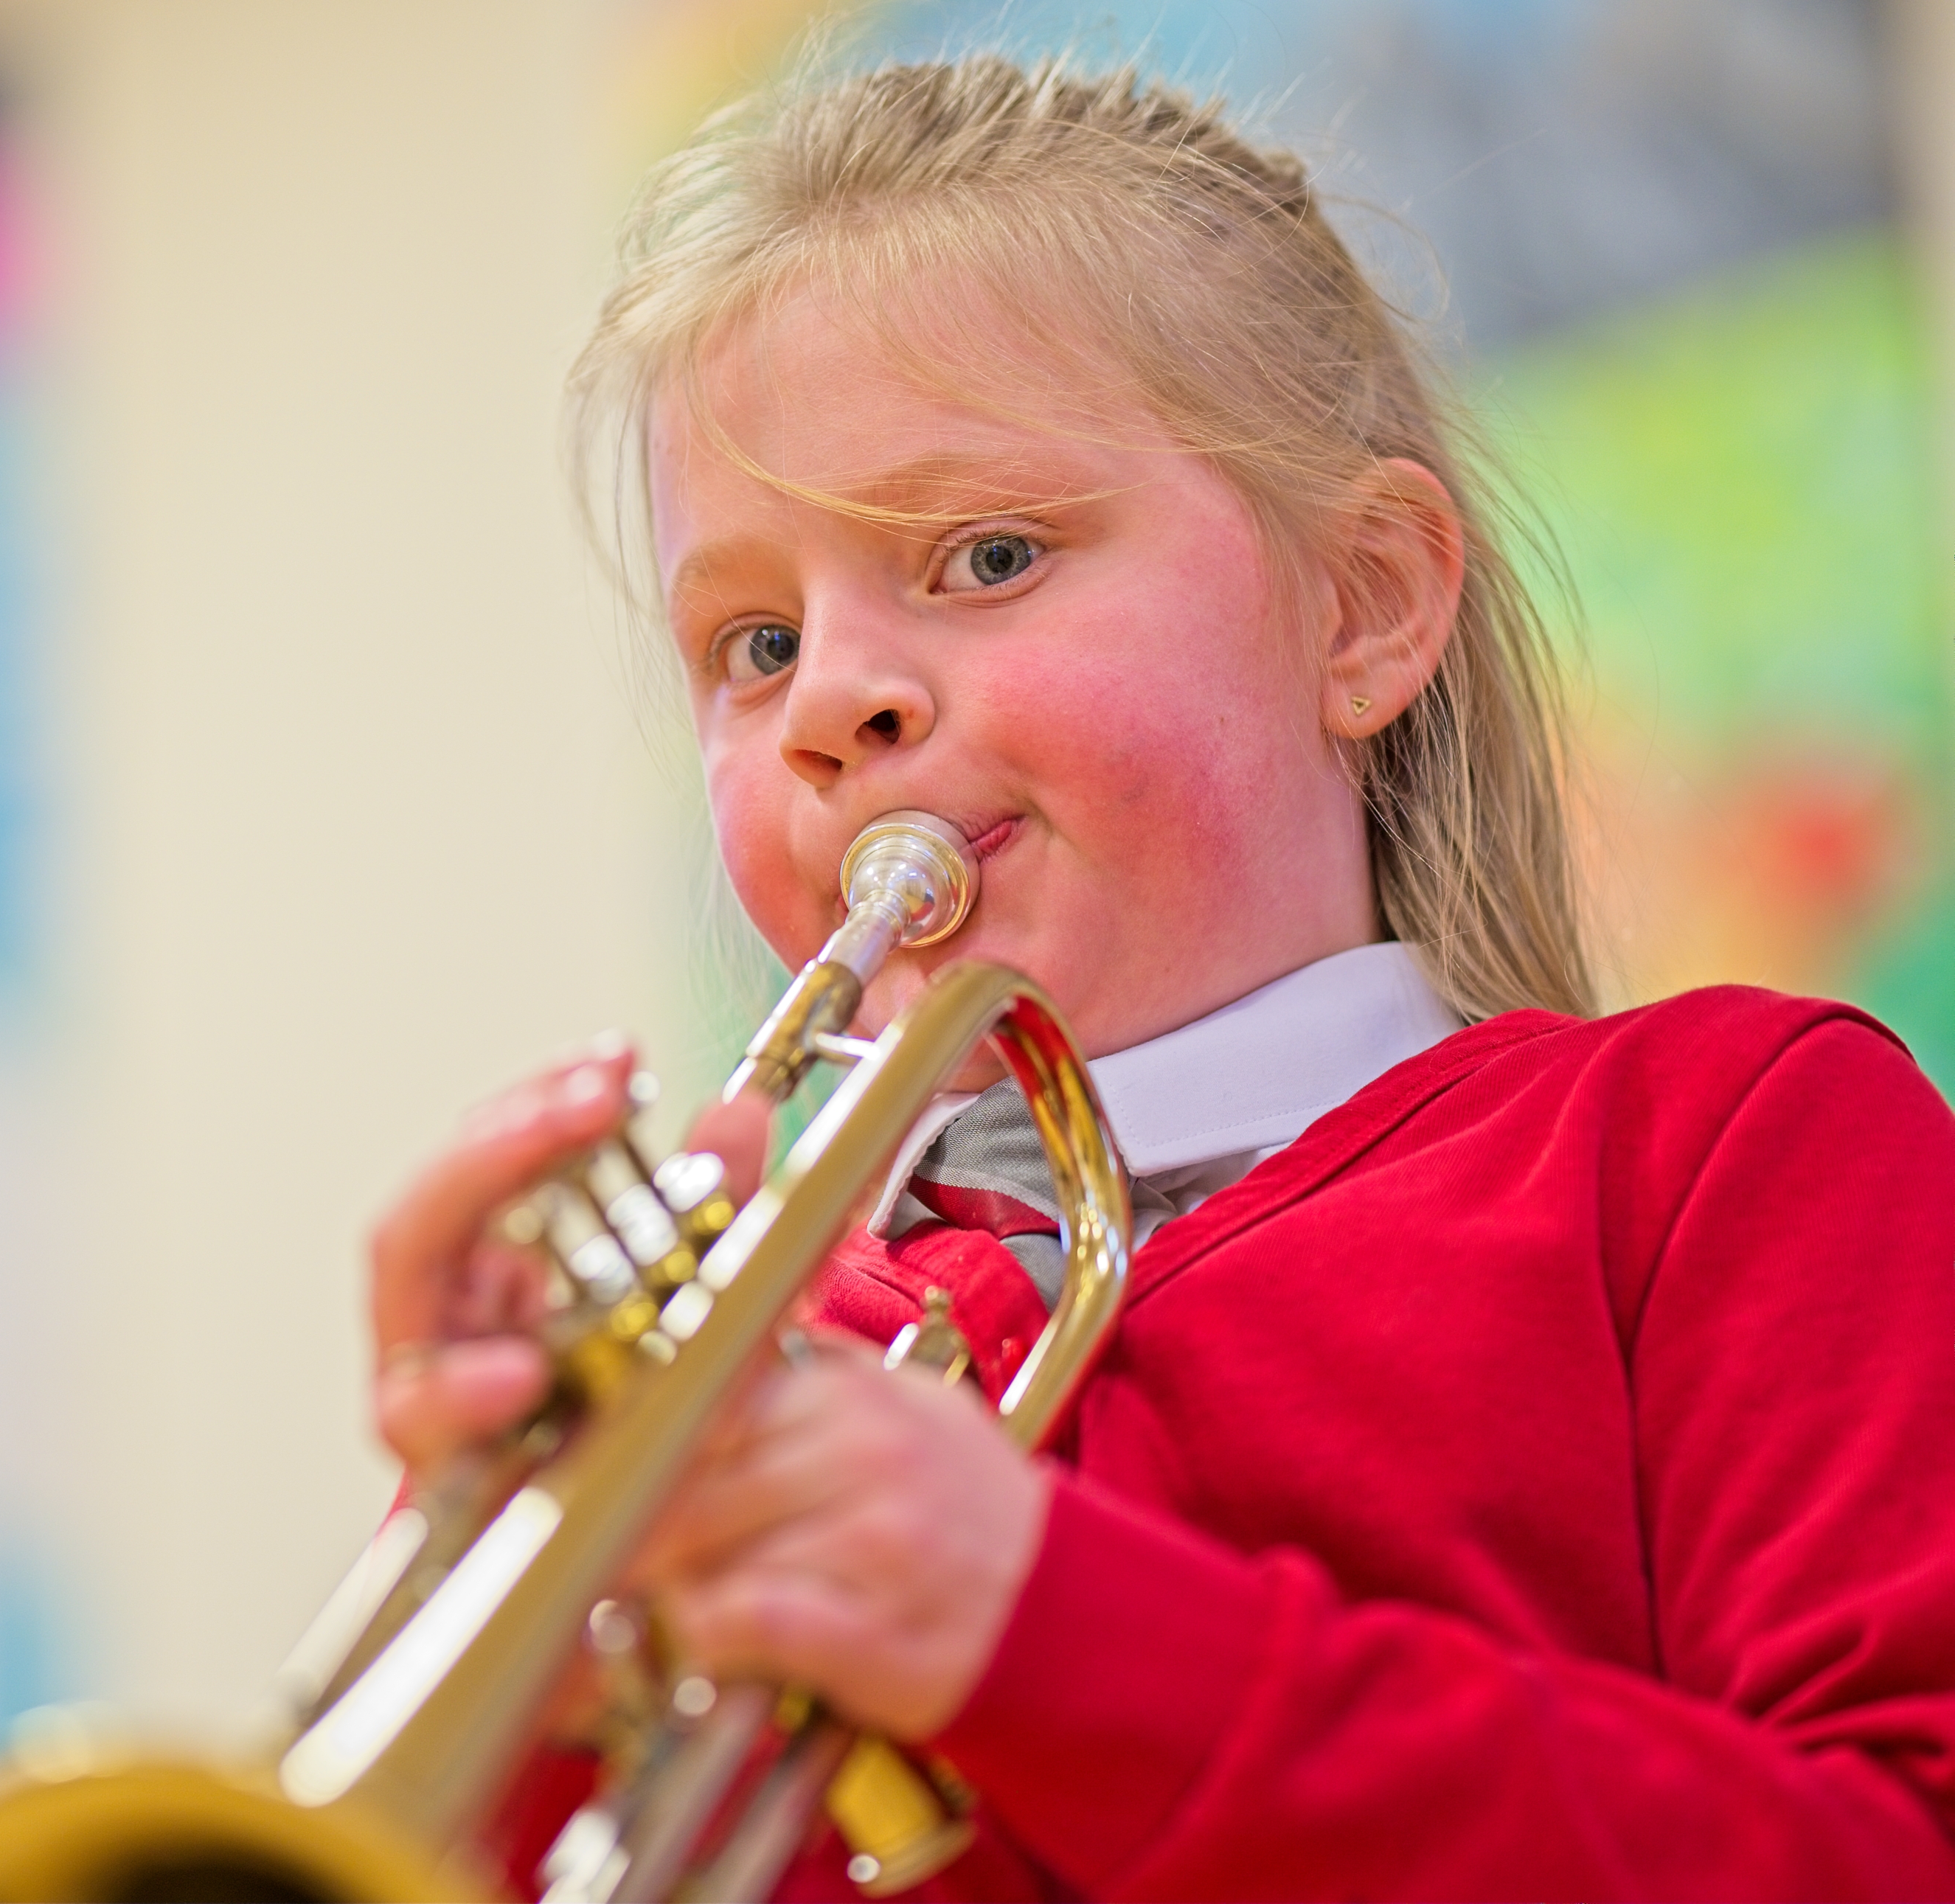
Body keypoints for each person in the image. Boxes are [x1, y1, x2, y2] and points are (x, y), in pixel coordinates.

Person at [367, 52, 1955, 1902]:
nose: (826, 703)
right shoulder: (752, 1376)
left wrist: (1044, 1626)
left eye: (984, 555)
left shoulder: (1716, 1151)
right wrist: (528, 1671)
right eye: (753, 640)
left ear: (1363, 602)